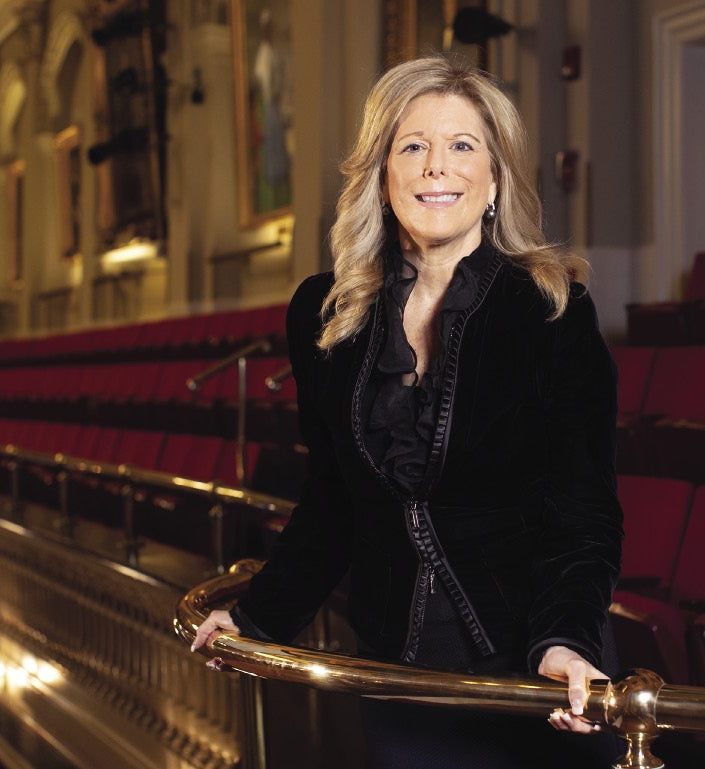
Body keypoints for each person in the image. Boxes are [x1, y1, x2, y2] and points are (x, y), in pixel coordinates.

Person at [192, 54, 624, 768]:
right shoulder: (327, 314)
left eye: (462, 146)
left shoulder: (551, 309)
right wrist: (257, 614)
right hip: (398, 669)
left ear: (494, 179)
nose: (435, 167)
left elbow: (584, 508)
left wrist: (566, 637)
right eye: (413, 146)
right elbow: (334, 499)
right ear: (382, 173)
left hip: (534, 671)